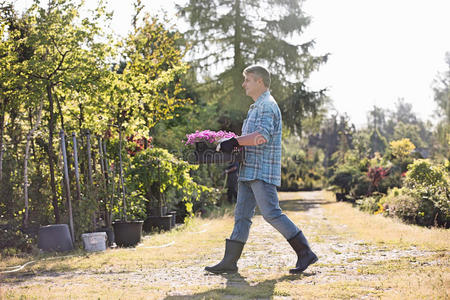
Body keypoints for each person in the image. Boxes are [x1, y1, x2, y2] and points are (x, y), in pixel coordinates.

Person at [206, 65, 318, 274]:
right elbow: (252, 138)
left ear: (259, 81)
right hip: (249, 170)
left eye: (247, 80)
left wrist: (235, 141)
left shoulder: (267, 105)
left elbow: (262, 136)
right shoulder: (256, 106)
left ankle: (305, 252)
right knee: (241, 216)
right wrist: (233, 143)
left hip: (261, 171)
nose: (244, 84)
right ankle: (230, 261)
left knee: (271, 214)